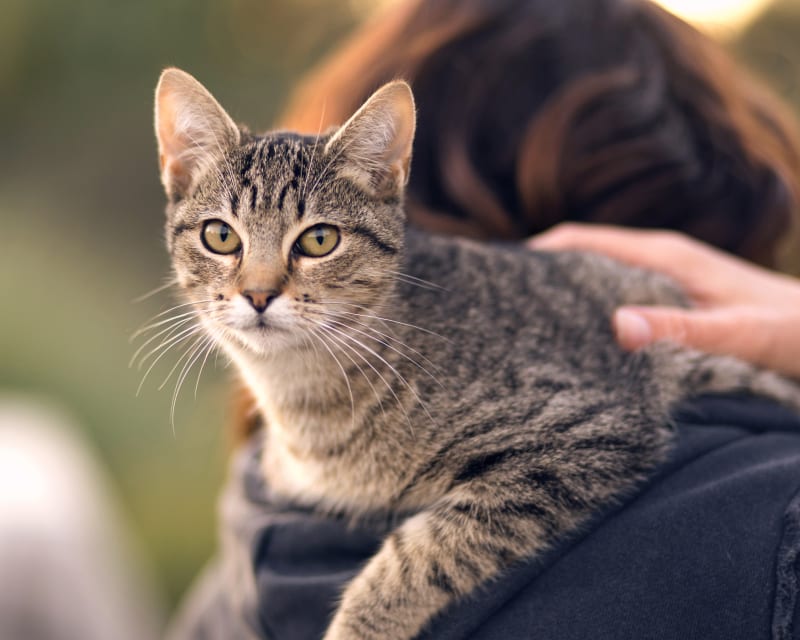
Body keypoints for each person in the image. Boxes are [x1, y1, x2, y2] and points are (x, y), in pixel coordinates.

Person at [167, 1, 800, 638]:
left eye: (314, 242)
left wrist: (378, 610)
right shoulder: (771, 523)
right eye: (223, 239)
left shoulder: (244, 549)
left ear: (399, 183)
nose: (258, 288)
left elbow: (601, 440)